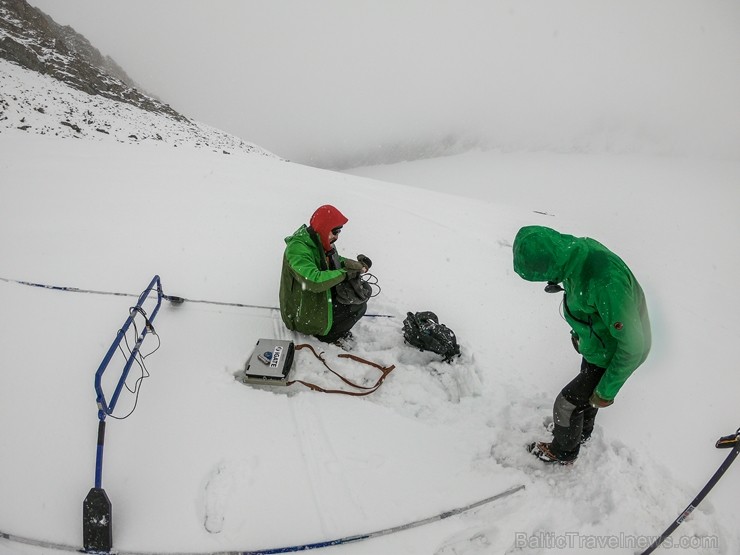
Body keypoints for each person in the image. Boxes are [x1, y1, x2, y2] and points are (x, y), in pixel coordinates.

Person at [512, 225, 651, 465]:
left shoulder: (605, 281)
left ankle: (564, 451)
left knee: (565, 404)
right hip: (597, 346)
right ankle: (581, 433)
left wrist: (605, 392)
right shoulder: (574, 254)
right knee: (584, 397)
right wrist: (580, 333)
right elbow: (587, 301)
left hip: (613, 354)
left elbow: (634, 346)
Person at [279, 204, 370, 346]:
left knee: (359, 292)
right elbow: (313, 281)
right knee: (357, 306)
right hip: (301, 314)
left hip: (313, 302)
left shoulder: (319, 240)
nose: (337, 236)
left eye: (339, 231)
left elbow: (334, 260)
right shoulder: (297, 249)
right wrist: (345, 274)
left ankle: (332, 326)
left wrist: (357, 267)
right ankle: (328, 337)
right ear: (324, 227)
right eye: (335, 231)